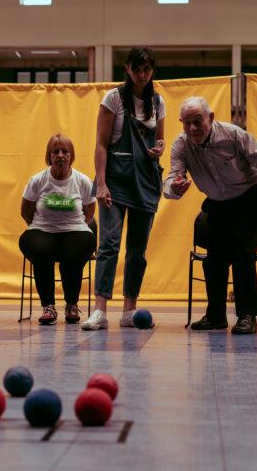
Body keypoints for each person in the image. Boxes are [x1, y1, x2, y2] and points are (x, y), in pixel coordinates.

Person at [164, 97, 257, 334]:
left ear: (210, 118)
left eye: (197, 121)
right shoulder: (181, 145)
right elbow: (172, 177)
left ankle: (246, 315)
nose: (192, 129)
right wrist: (174, 187)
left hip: (252, 197)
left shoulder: (232, 135)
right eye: (187, 123)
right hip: (219, 203)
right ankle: (216, 316)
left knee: (242, 252)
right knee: (214, 260)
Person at [82, 47, 166, 330]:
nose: (142, 75)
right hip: (115, 181)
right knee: (109, 244)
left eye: (147, 70)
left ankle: (129, 309)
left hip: (146, 180)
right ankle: (99, 310)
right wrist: (101, 184)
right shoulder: (113, 98)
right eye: (137, 69)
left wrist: (159, 149)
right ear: (127, 69)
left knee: (137, 250)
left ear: (151, 71)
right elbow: (101, 144)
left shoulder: (158, 101)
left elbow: (161, 141)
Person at [19, 134, 97, 325]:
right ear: (49, 156)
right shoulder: (38, 180)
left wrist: (74, 226)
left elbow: (90, 212)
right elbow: (26, 211)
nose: (60, 155)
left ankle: (71, 305)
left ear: (72, 155)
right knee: (40, 250)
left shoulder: (83, 181)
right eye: (55, 151)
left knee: (74, 253)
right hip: (43, 230)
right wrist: (41, 228)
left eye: (65, 151)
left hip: (75, 231)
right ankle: (48, 307)